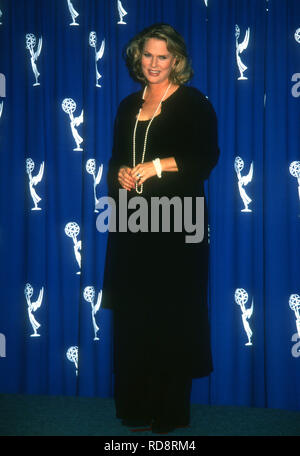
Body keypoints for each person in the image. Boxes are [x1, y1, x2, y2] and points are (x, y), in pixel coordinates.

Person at [102, 23, 219, 434]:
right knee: (135, 316)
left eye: (162, 56)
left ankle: (168, 413)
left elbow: (204, 158)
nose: (153, 63)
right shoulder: (126, 105)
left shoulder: (193, 103)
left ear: (177, 61)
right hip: (134, 224)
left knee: (171, 316)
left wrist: (155, 166)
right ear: (139, 58)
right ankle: (135, 406)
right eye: (148, 55)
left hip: (177, 225)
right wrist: (119, 175)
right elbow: (116, 158)